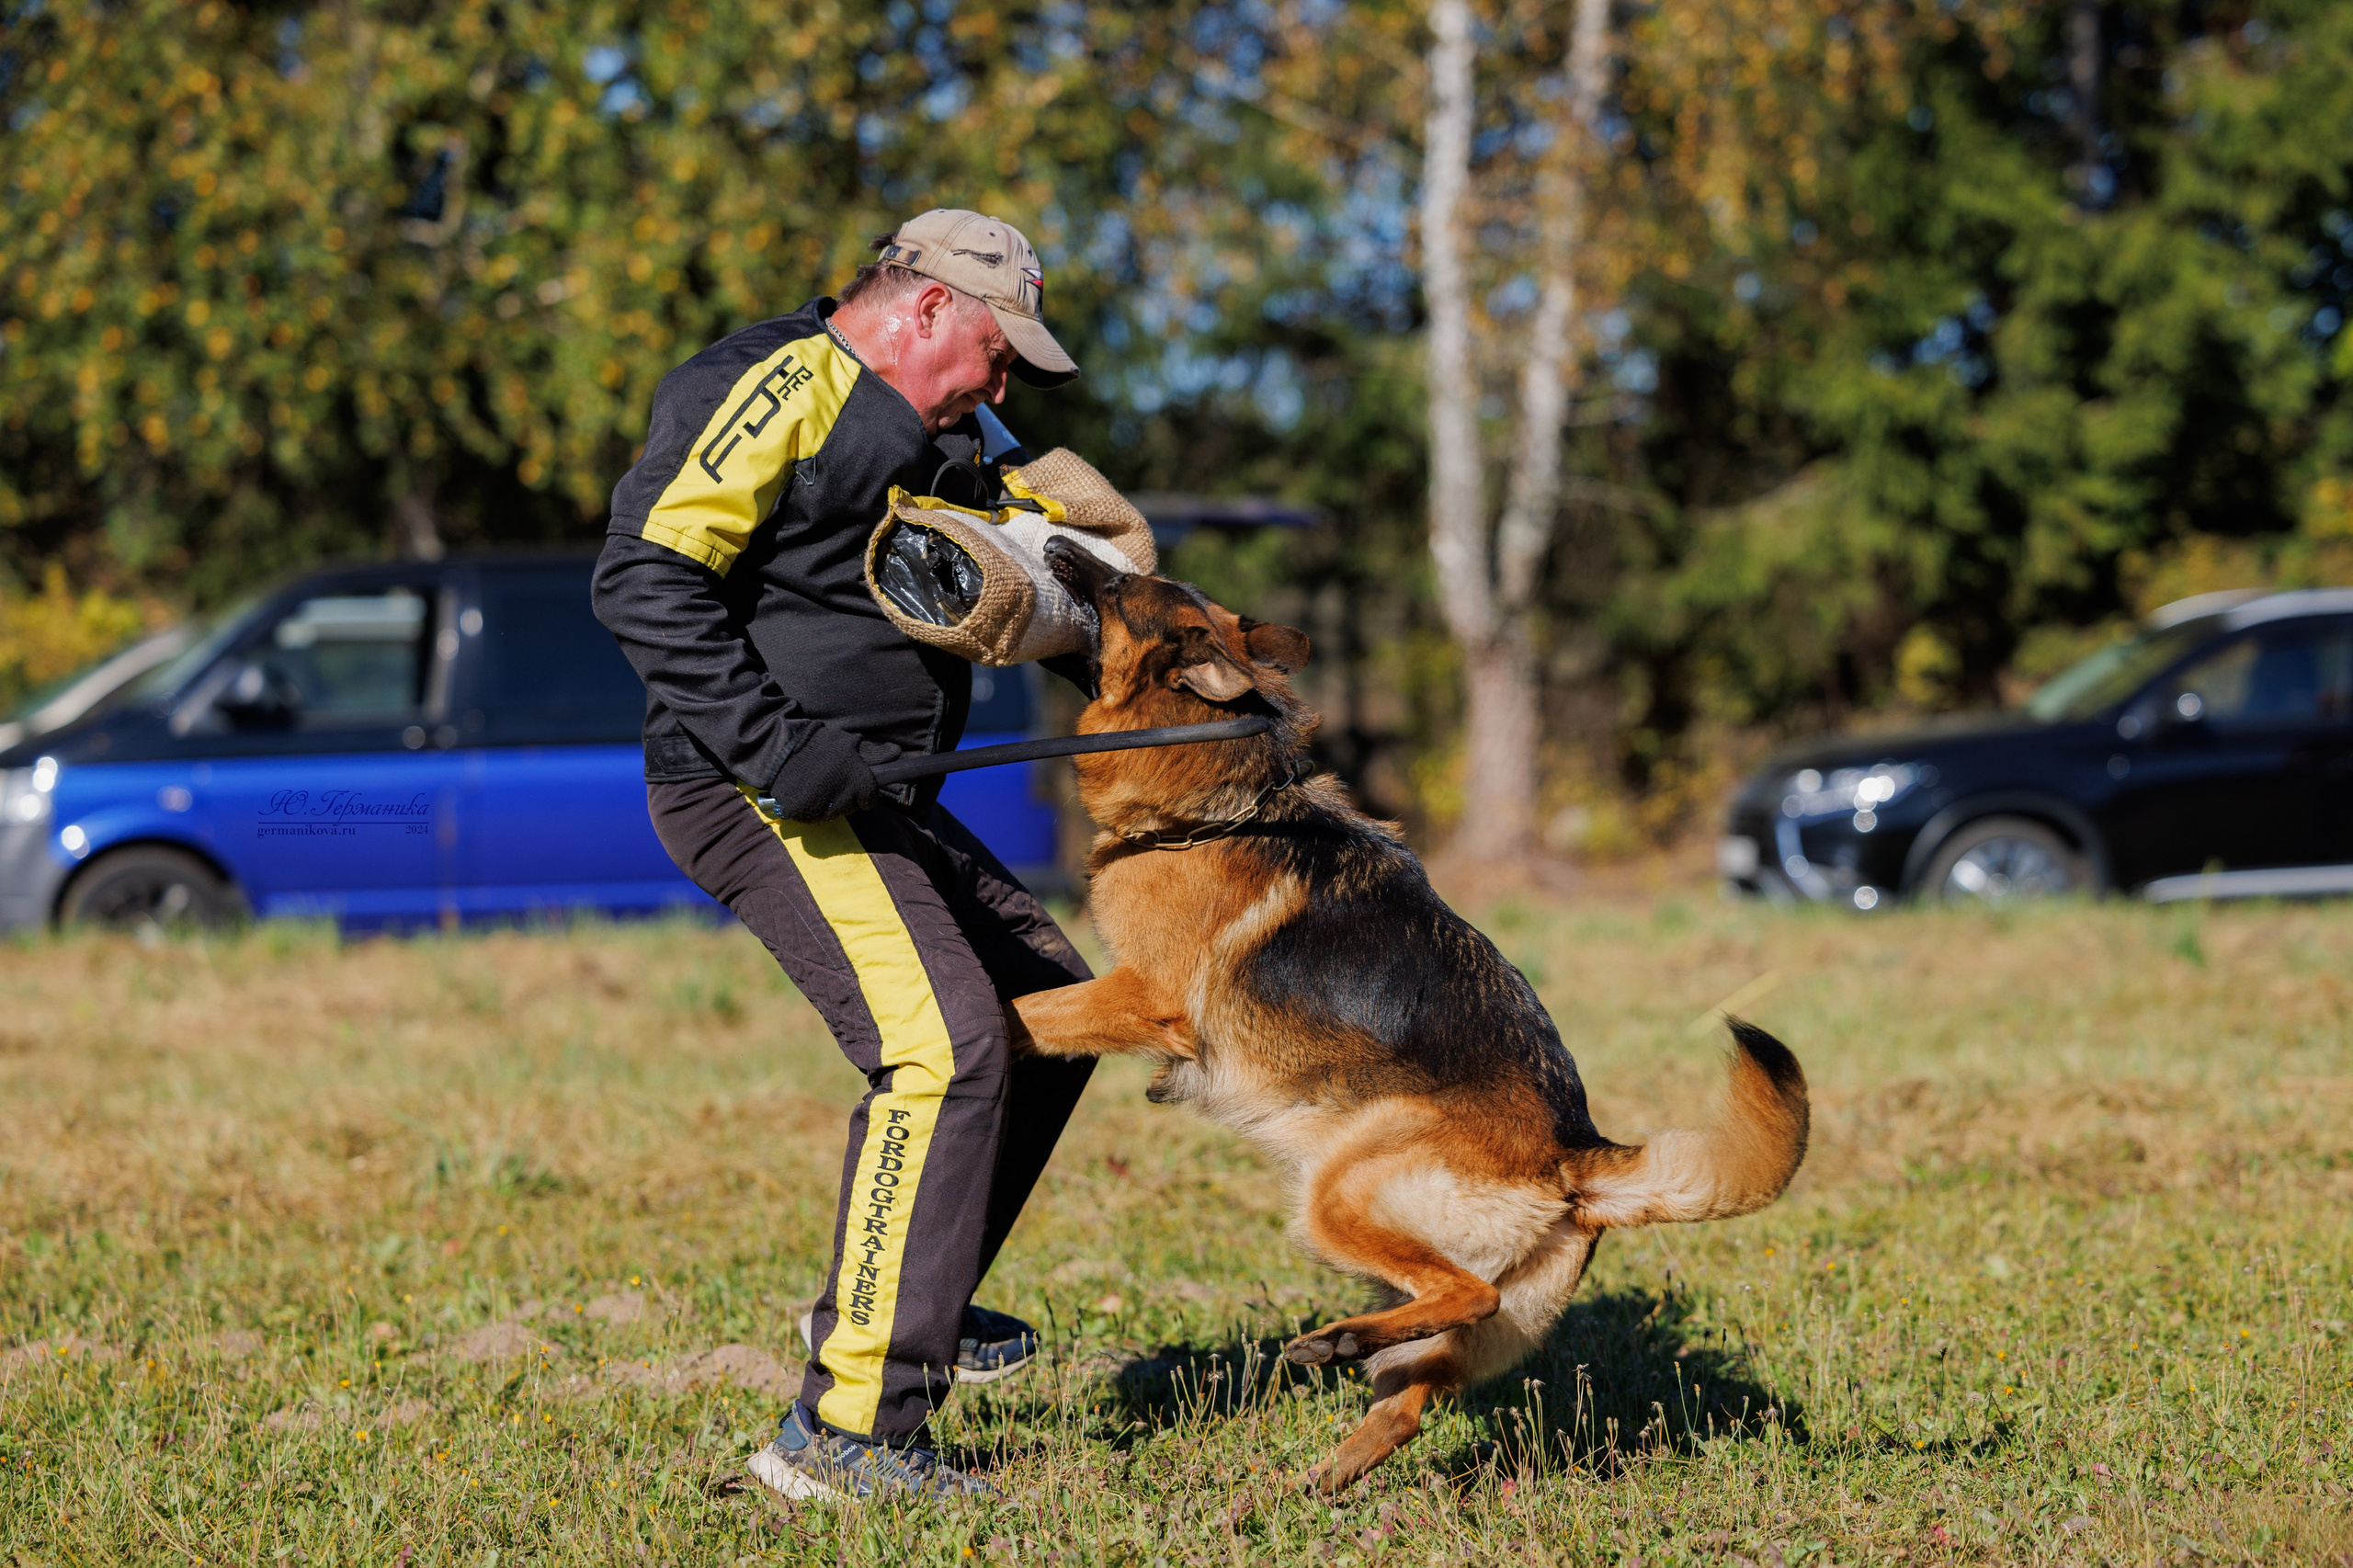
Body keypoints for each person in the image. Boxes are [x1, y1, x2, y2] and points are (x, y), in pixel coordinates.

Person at [591, 210, 1097, 1499]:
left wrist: (1138, 597)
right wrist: (779, 746)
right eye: (995, 354)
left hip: (879, 793)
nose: (999, 388)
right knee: (946, 1048)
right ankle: (851, 1431)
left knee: (1054, 1009)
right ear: (925, 308)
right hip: (757, 789)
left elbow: (1045, 540)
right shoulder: (779, 385)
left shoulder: (952, 429)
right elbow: (646, 576)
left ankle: (912, 1301)